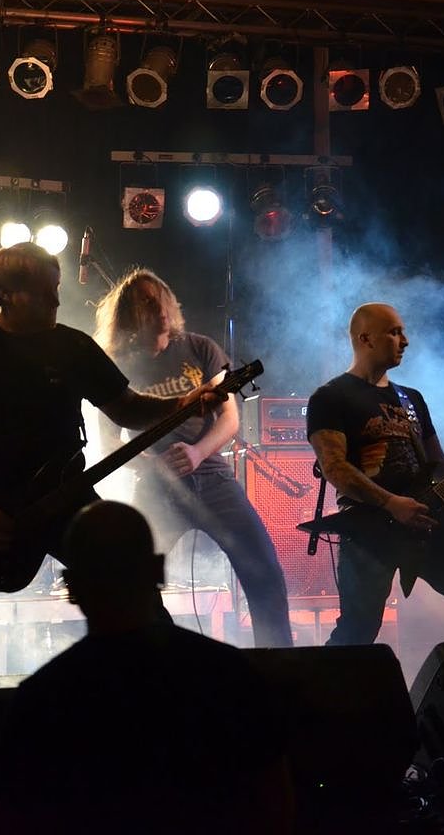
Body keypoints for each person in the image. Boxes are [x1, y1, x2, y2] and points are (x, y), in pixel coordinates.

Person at [0, 243, 225, 680]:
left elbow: (127, 409)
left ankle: (165, 694)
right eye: (44, 292)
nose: (56, 300)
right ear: (5, 294)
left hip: (65, 496)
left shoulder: (73, 347)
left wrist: (184, 403)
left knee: (135, 593)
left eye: (56, 288)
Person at [0, 500, 293, 835]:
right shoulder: (231, 675)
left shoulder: (40, 699)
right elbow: (275, 808)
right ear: (158, 571)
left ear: (71, 587)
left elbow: (7, 821)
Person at [306, 302, 444, 646]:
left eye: (403, 332)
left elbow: (438, 464)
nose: (405, 340)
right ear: (366, 338)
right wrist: (391, 503)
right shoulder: (330, 398)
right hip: (369, 530)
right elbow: (335, 467)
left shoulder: (411, 399)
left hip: (428, 523)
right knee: (356, 633)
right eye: (394, 332)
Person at [93, 268, 293, 647]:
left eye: (161, 298)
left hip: (213, 478)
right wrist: (153, 465)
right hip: (156, 488)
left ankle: (279, 663)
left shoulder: (200, 348)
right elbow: (109, 443)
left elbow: (230, 417)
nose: (159, 308)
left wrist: (198, 452)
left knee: (264, 569)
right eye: (146, 302)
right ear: (128, 314)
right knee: (132, 583)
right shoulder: (118, 365)